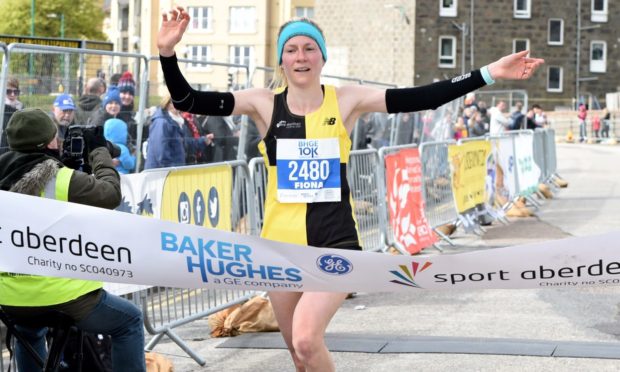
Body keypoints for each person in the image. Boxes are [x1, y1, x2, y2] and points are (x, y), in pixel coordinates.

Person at [157, 7, 543, 371]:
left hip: (335, 242)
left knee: (308, 341)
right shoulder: (262, 103)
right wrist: (167, 53)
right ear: (282, 60)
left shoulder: (346, 100)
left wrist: (489, 73)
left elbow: (423, 96)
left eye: (309, 48)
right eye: (291, 49)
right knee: (296, 351)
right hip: (280, 246)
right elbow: (188, 100)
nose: (301, 56)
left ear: (322, 58)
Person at [0, 108, 146, 371]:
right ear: (48, 142)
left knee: (29, 331)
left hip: (9, 297)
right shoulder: (61, 178)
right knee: (129, 321)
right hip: (64, 297)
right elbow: (110, 195)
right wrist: (99, 151)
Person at [144, 95, 212, 169]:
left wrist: (203, 141)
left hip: (172, 172)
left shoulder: (178, 121)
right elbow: (161, 153)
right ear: (167, 103)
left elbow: (184, 143)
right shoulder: (161, 122)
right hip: (160, 175)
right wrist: (172, 171)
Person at [1, 77, 22, 154]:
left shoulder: (21, 108)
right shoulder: (2, 109)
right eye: (8, 91)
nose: (12, 94)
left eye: (16, 92)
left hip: (16, 150)